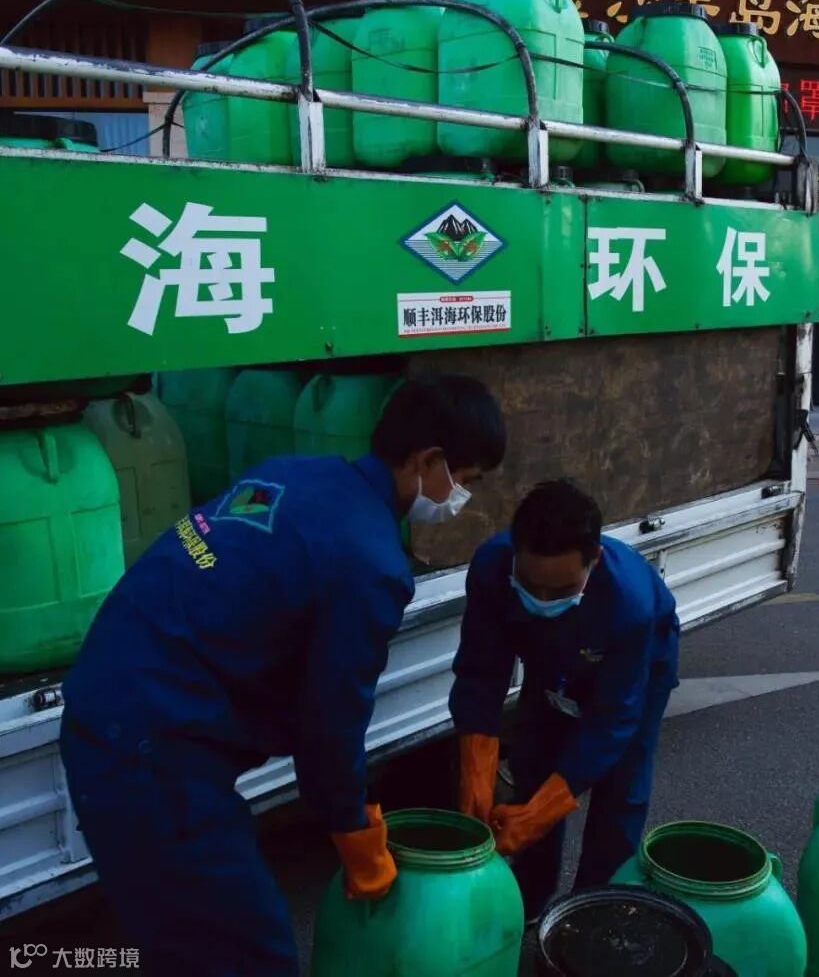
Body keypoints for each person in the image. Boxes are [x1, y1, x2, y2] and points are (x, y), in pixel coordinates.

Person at [60, 373, 505, 977]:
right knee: (252, 955)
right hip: (149, 754)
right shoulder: (370, 561)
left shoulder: (292, 473)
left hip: (107, 706)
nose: (460, 498)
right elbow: (332, 724)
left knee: (185, 945)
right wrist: (355, 835)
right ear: (428, 461)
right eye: (464, 479)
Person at [450, 479, 679, 920]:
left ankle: (592, 912)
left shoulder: (628, 604)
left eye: (559, 591)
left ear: (595, 560)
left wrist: (540, 814)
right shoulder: (491, 568)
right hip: (551, 660)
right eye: (529, 584)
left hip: (636, 671)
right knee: (534, 764)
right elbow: (481, 673)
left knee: (620, 792)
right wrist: (476, 776)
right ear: (515, 551)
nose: (541, 600)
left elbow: (612, 721)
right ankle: (529, 901)